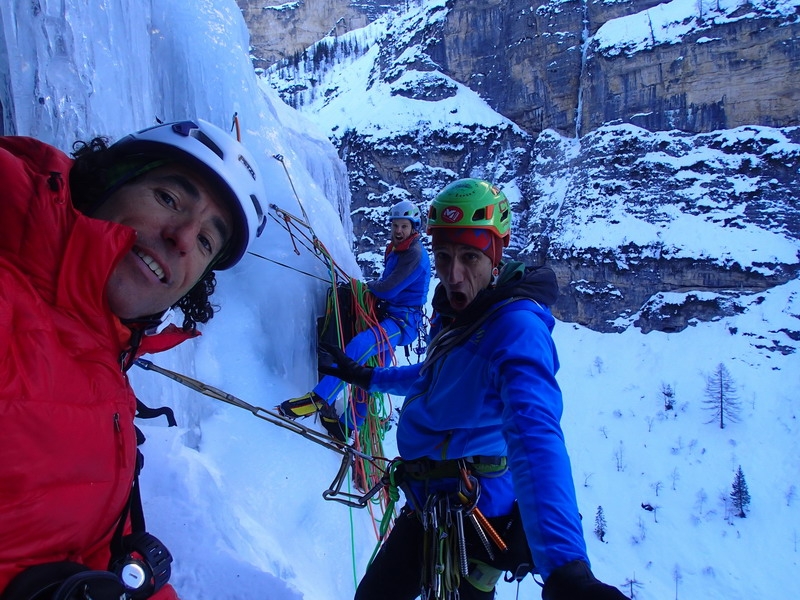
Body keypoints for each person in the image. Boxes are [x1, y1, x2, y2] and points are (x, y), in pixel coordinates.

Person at [317, 179, 628, 599]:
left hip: (475, 515)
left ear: (496, 255)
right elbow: (431, 379)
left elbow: (534, 432)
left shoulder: (515, 328)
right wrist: (366, 378)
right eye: (443, 257)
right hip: (428, 503)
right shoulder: (455, 316)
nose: (453, 275)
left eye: (469, 256)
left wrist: (566, 568)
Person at [0, 119, 271, 599]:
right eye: (168, 198)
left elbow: (84, 547)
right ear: (103, 182)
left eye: (207, 242)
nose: (183, 238)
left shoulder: (104, 367)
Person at [278, 200, 431, 442]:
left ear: (414, 228)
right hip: (389, 315)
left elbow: (389, 289)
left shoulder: (413, 254)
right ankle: (346, 427)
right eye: (395, 226)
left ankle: (319, 399)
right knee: (368, 372)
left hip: (402, 321)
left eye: (404, 226)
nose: (399, 231)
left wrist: (367, 288)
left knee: (361, 345)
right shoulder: (397, 248)